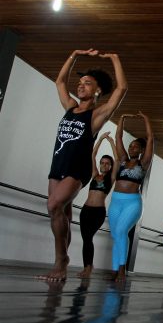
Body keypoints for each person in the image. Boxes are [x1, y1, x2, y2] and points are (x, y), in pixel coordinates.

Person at [41, 49, 127, 281]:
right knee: (61, 215)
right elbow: (60, 81)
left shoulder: (96, 115)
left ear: (97, 90)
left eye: (87, 83)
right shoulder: (70, 107)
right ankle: (61, 260)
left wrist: (114, 58)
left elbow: (121, 90)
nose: (80, 86)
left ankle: (61, 260)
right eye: (80, 83)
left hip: (77, 169)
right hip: (57, 165)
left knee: (52, 206)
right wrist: (74, 55)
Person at [107, 112, 154, 282]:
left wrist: (145, 119)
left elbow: (150, 138)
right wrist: (122, 119)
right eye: (131, 146)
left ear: (141, 151)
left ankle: (121, 269)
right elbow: (118, 137)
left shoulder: (144, 163)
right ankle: (114, 269)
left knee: (120, 231)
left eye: (135, 147)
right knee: (116, 235)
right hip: (115, 201)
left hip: (132, 203)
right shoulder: (122, 160)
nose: (132, 148)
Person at [78, 132, 118, 278]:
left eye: (107, 163)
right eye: (103, 162)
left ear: (110, 166)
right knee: (86, 239)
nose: (104, 165)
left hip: (98, 212)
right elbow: (92, 155)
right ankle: (87, 267)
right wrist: (100, 139)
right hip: (86, 210)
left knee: (88, 237)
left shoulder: (111, 178)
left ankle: (88, 268)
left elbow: (118, 159)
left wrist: (112, 142)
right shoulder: (95, 175)